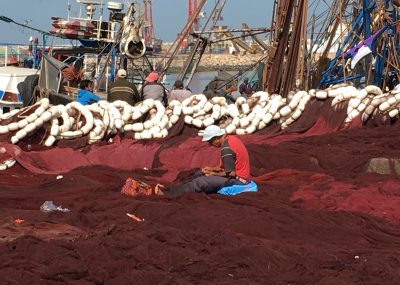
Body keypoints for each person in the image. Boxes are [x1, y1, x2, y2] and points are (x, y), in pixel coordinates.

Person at [157, 125, 250, 195]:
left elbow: (231, 173)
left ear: (216, 138)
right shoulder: (232, 139)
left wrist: (214, 174)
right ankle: (173, 189)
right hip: (237, 177)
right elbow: (228, 167)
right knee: (199, 173)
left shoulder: (226, 149)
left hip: (238, 181)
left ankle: (168, 194)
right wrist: (212, 169)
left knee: (200, 182)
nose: (210, 144)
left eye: (210, 141)